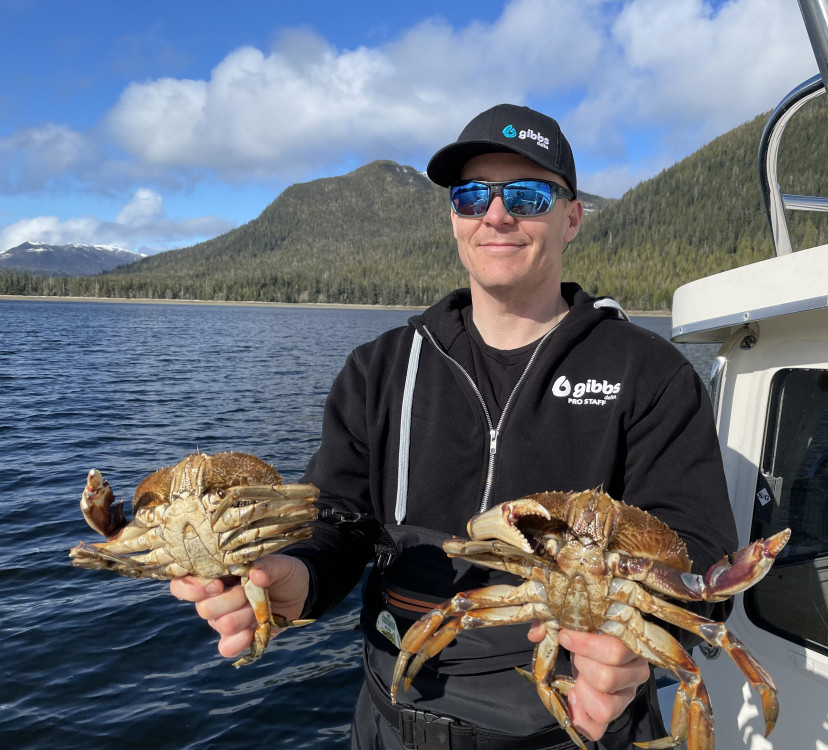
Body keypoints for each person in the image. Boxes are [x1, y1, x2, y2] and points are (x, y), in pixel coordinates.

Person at [171, 103, 738, 749]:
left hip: (576, 724)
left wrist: (639, 640)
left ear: (572, 217)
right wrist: (295, 578)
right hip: (390, 720)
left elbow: (700, 552)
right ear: (455, 219)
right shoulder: (381, 367)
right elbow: (337, 518)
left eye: (526, 195)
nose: (497, 215)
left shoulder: (648, 372)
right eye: (473, 197)